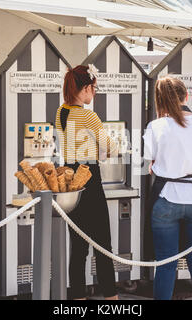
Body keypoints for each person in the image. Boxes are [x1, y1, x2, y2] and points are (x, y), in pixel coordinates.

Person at [143, 76, 192, 300]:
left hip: (165, 199)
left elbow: (152, 163)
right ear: (186, 96)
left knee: (166, 264)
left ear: (160, 101)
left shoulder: (156, 126)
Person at [55, 65, 119, 300]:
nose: (94, 93)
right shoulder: (88, 115)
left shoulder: (61, 112)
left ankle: (78, 299)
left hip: (70, 180)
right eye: (94, 88)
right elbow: (111, 147)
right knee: (103, 245)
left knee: (78, 247)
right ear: (85, 88)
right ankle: (111, 299)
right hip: (90, 177)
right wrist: (104, 150)